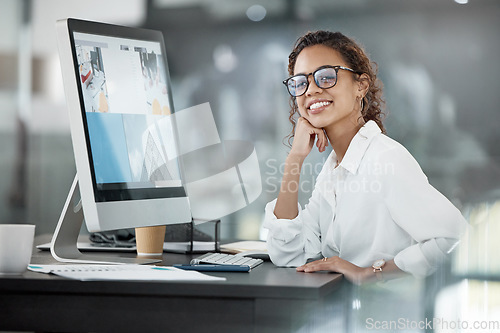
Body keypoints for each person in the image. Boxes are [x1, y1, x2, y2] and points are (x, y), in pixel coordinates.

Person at [263, 31, 467, 285]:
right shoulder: (333, 170)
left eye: (326, 77)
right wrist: (294, 159)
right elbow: (287, 253)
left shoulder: (385, 159)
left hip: (384, 318)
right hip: (342, 315)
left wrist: (370, 272)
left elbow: (455, 237)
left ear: (360, 85)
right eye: (300, 82)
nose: (311, 90)